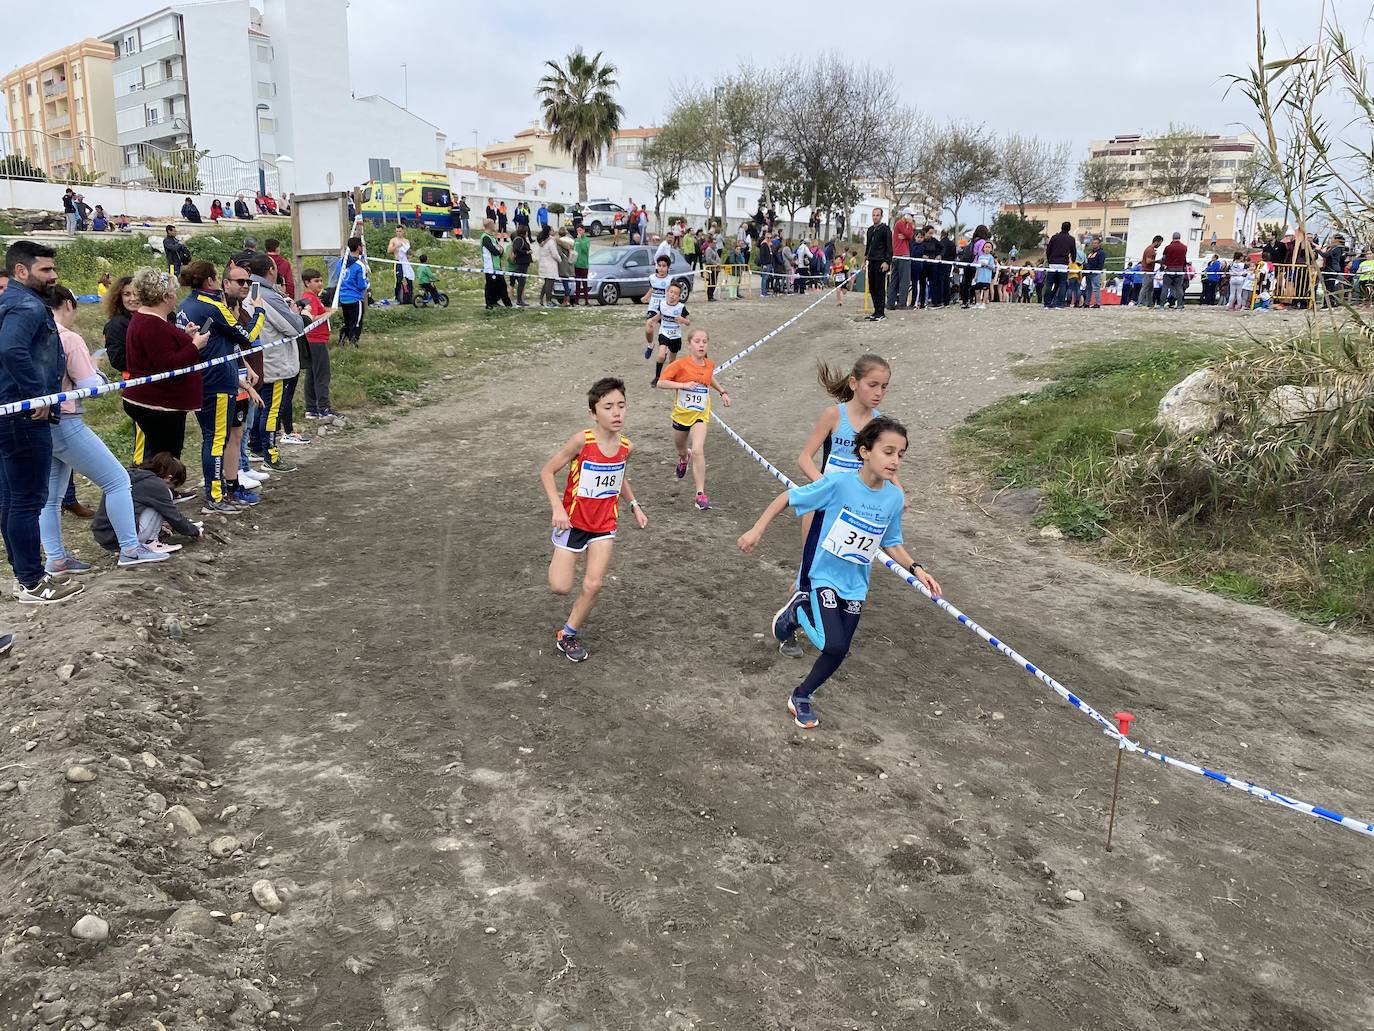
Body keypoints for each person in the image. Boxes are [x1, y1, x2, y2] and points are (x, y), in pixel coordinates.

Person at [737, 417, 940, 729]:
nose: (895, 461)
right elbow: (788, 497)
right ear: (865, 452)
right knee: (833, 645)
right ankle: (800, 619)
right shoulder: (839, 485)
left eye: (901, 454)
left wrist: (917, 568)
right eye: (888, 452)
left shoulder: (893, 498)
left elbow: (891, 541)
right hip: (825, 577)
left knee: (839, 649)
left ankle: (801, 688)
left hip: (856, 584)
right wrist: (756, 530)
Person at [40, 285, 168, 571]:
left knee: (50, 497)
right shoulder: (69, 338)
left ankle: (56, 557)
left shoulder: (34, 334)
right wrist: (96, 370)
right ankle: (131, 549)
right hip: (66, 420)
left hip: (41, 423)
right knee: (117, 480)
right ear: (69, 305)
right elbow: (90, 387)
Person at [539, 377, 648, 663]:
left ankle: (568, 633)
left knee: (594, 585)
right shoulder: (581, 442)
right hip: (573, 523)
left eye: (621, 406)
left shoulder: (626, 446)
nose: (617, 413)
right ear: (593, 413)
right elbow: (547, 471)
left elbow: (619, 476)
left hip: (604, 526)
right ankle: (560, 556)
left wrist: (634, 505)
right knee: (560, 587)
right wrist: (557, 509)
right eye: (608, 407)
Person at [0, 241, 84, 604]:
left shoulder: (11, 302)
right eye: (46, 270)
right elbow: (10, 349)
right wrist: (36, 394)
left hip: (10, 411)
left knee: (11, 499)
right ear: (22, 271)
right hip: (23, 415)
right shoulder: (26, 305)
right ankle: (32, 581)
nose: (54, 277)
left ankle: (26, 575)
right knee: (26, 500)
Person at [177, 259, 263, 514]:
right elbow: (246, 336)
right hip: (217, 381)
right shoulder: (212, 305)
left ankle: (220, 491)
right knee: (215, 441)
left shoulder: (187, 305)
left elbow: (214, 337)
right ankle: (216, 496)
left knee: (213, 439)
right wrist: (259, 312)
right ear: (212, 280)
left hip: (201, 379)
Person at [123, 267, 206, 476]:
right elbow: (168, 364)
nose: (176, 297)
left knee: (161, 453)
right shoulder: (153, 324)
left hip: (156, 400)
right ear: (165, 297)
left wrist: (184, 336)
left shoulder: (147, 319)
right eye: (173, 293)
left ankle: (162, 493)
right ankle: (161, 493)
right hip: (159, 403)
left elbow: (159, 352)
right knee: (166, 456)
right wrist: (195, 345)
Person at [654, 327, 730, 511]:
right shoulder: (679, 365)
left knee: (698, 450)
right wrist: (683, 385)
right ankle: (683, 458)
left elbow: (709, 378)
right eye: (697, 341)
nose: (701, 344)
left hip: (700, 415)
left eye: (704, 341)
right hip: (681, 415)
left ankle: (700, 494)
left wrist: (722, 392)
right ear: (689, 345)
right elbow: (660, 383)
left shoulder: (709, 364)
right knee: (682, 450)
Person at [244, 252, 302, 473]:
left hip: (258, 360)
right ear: (271, 270)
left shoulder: (249, 292)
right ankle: (271, 453)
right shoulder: (270, 295)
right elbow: (293, 327)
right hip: (275, 361)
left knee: (261, 406)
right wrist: (296, 313)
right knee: (271, 410)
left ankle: (257, 446)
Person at [92, 452, 201, 556]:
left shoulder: (132, 475)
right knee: (161, 501)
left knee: (153, 502)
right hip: (118, 539)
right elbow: (173, 516)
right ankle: (151, 542)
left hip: (106, 535)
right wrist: (194, 531)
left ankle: (147, 536)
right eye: (172, 486)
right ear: (169, 478)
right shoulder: (156, 485)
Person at [298, 268, 336, 420]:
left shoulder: (313, 297)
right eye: (316, 281)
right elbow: (311, 317)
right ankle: (323, 407)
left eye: (321, 280)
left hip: (315, 340)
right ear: (307, 282)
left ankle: (312, 409)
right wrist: (327, 314)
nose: (320, 284)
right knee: (322, 374)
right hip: (315, 340)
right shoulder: (309, 297)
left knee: (312, 374)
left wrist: (327, 310)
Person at [647, 281, 690, 387]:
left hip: (676, 336)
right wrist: (652, 321)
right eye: (671, 292)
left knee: (672, 360)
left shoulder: (681, 307)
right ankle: (657, 377)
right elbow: (659, 316)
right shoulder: (662, 304)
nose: (672, 295)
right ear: (667, 292)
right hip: (664, 332)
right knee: (661, 355)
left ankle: (670, 377)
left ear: (679, 296)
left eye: (676, 293)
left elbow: (688, 322)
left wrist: (682, 320)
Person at [641, 254, 673, 356]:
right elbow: (652, 288)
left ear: (668, 267)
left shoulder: (670, 279)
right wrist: (646, 296)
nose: (661, 268)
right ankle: (650, 345)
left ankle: (666, 348)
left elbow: (672, 293)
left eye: (664, 266)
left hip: (665, 308)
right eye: (659, 265)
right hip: (653, 307)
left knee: (665, 331)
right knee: (649, 326)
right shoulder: (651, 278)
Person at [864, 208, 892, 322]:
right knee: (872, 287)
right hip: (872, 261)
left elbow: (889, 248)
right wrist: (865, 259)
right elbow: (868, 246)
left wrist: (887, 262)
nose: (875, 217)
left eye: (877, 215)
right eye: (873, 215)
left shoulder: (885, 230)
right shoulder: (870, 230)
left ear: (881, 216)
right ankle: (876, 311)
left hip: (881, 262)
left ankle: (881, 312)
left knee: (880, 288)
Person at [479, 219, 512, 310]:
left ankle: (506, 305)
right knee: (490, 287)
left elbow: (501, 251)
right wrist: (498, 250)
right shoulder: (485, 238)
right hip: (490, 267)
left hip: (497, 267)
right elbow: (495, 251)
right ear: (489, 225)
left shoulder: (493, 238)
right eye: (494, 224)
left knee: (502, 286)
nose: (495, 226)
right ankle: (489, 304)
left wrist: (499, 250)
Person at [1043, 221, 1076, 309]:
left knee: (1049, 284)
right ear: (1069, 228)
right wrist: (1073, 260)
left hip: (1053, 263)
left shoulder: (1054, 237)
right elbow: (1073, 252)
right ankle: (1060, 304)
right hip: (1063, 264)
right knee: (1062, 285)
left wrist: (1050, 260)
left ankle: (1047, 303)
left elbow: (1048, 250)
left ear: (1061, 227)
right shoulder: (1071, 239)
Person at [1161, 232, 1189, 310]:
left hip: (1169, 269)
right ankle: (1180, 305)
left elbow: (1164, 258)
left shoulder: (1168, 247)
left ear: (1172, 237)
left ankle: (1162, 305)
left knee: (1165, 287)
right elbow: (1184, 258)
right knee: (1179, 287)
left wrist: (1163, 265)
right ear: (1179, 237)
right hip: (1180, 270)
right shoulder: (1184, 247)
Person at [535, 226, 561, 307]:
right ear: (549, 231)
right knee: (550, 283)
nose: (554, 231)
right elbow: (554, 254)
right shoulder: (551, 241)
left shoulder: (542, 240)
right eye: (552, 230)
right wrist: (560, 259)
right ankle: (548, 301)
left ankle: (541, 299)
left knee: (546, 283)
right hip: (550, 265)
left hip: (543, 264)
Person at [387, 226, 413, 305]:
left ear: (403, 231)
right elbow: (389, 250)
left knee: (409, 279)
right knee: (399, 279)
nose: (398, 233)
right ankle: (397, 297)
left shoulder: (406, 241)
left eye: (400, 231)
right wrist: (396, 246)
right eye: (397, 231)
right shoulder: (393, 240)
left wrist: (408, 251)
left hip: (405, 262)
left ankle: (409, 297)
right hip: (398, 262)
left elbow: (409, 253)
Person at [510, 224, 533, 307]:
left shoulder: (522, 239)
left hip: (524, 263)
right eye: (527, 232)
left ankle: (520, 299)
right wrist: (526, 252)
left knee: (522, 282)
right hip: (521, 263)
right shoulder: (519, 240)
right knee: (521, 282)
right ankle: (519, 300)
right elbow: (515, 250)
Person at [572, 224, 591, 306]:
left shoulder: (586, 240)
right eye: (577, 231)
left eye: (580, 230)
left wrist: (580, 241)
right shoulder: (575, 240)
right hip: (576, 264)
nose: (578, 232)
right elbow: (574, 250)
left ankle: (586, 300)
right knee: (577, 284)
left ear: (583, 230)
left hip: (584, 265)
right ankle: (577, 301)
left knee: (585, 284)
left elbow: (585, 250)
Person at [1084, 238, 1106, 308]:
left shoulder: (1101, 253)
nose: (1094, 244)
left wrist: (1097, 271)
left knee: (1096, 288)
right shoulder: (1090, 253)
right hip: (1088, 273)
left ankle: (1097, 303)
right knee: (1088, 288)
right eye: (1093, 243)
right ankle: (1087, 303)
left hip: (1095, 273)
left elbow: (1101, 263)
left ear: (1099, 244)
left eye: (1096, 243)